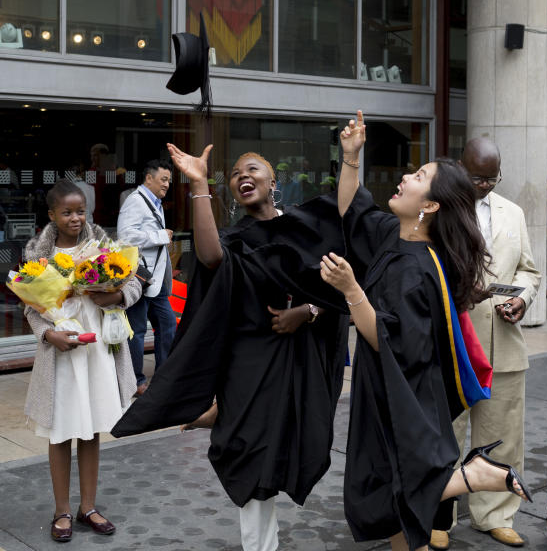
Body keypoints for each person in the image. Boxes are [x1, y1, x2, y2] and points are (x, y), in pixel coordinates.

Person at [113, 146, 352, 551]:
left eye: (253, 169)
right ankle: (261, 546)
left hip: (299, 360)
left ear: (273, 182)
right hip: (248, 361)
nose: (243, 176)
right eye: (236, 173)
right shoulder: (236, 239)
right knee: (250, 453)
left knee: (289, 445)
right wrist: (199, 182)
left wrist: (307, 312)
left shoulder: (306, 229)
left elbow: (338, 291)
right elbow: (209, 256)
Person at [321, 112, 532, 551]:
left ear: (430, 205)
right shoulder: (397, 236)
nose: (404, 176)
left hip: (403, 398)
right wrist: (351, 157)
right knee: (393, 504)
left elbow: (387, 339)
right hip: (387, 389)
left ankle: (474, 475)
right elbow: (352, 210)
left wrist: (351, 289)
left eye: (417, 176)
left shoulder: (416, 268)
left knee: (390, 492)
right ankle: (469, 478)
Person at [430, 139, 541, 549]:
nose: (485, 185)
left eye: (492, 178)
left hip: (504, 341)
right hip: (453, 337)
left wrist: (523, 299)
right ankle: (440, 513)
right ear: (460, 168)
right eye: (478, 177)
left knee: (503, 434)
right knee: (446, 433)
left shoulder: (512, 212)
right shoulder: (437, 208)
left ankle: (494, 514)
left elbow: (530, 271)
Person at [23, 180, 140, 543]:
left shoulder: (104, 245)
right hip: (61, 350)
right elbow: (32, 305)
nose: (75, 218)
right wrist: (47, 335)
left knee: (91, 430)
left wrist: (117, 294)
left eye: (81, 211)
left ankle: (87, 507)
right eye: (67, 212)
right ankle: (61, 509)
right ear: (52, 215)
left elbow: (135, 285)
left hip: (97, 349)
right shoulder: (38, 253)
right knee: (61, 430)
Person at [117, 159, 178, 395]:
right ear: (149, 178)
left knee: (167, 324)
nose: (167, 185)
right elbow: (126, 236)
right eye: (163, 180)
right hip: (138, 278)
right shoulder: (135, 201)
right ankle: (136, 381)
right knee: (137, 329)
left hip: (156, 278)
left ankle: (163, 378)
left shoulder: (155, 202)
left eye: (169, 181)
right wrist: (161, 235)